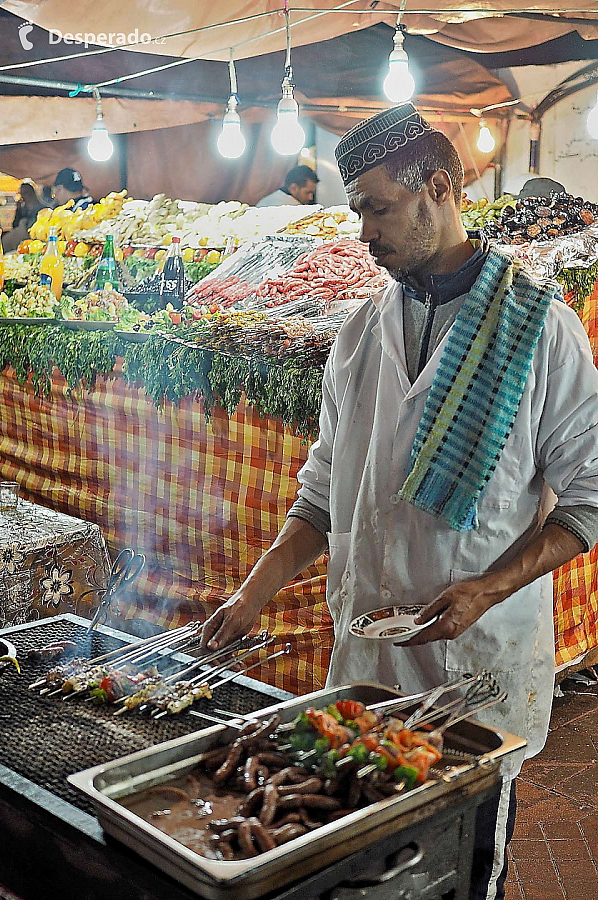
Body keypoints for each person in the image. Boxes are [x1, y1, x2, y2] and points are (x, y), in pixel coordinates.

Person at [202, 104, 598, 900]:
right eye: (357, 212)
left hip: (475, 663)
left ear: (438, 189)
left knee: (460, 868)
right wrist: (255, 590)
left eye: (377, 208)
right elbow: (320, 492)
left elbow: (588, 498)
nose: (363, 233)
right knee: (370, 870)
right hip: (369, 664)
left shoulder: (543, 330)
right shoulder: (357, 336)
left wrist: (485, 589)